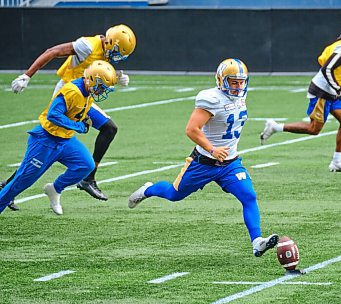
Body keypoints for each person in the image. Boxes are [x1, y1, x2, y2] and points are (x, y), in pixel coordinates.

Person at [128, 58, 279, 257]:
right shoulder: (211, 99)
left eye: (241, 81)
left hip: (230, 163)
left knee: (248, 196)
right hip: (204, 162)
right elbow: (191, 129)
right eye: (233, 81)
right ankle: (148, 190)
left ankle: (257, 241)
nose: (238, 86)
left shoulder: (241, 96)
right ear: (221, 80)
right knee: (174, 195)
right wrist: (212, 148)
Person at [8, 24, 136, 205]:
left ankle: (88, 178)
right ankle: (8, 186)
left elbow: (94, 71)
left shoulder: (104, 50)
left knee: (109, 129)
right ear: (109, 42)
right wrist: (27, 75)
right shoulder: (88, 45)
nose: (117, 57)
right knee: (49, 148)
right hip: (68, 95)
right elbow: (52, 51)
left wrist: (116, 75)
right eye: (116, 52)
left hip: (83, 96)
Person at [260, 12, 341, 172]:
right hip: (323, 92)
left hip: (331, 90)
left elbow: (323, 59)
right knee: (314, 129)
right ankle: (275, 127)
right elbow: (327, 68)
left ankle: (337, 161)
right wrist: (338, 89)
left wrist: (337, 89)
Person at [0, 61, 117, 215]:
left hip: (65, 140)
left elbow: (74, 113)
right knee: (20, 183)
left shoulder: (87, 93)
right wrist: (79, 127)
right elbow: (53, 115)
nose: (102, 91)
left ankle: (55, 188)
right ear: (92, 79)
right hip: (45, 140)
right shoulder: (72, 91)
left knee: (86, 165)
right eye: (101, 86)